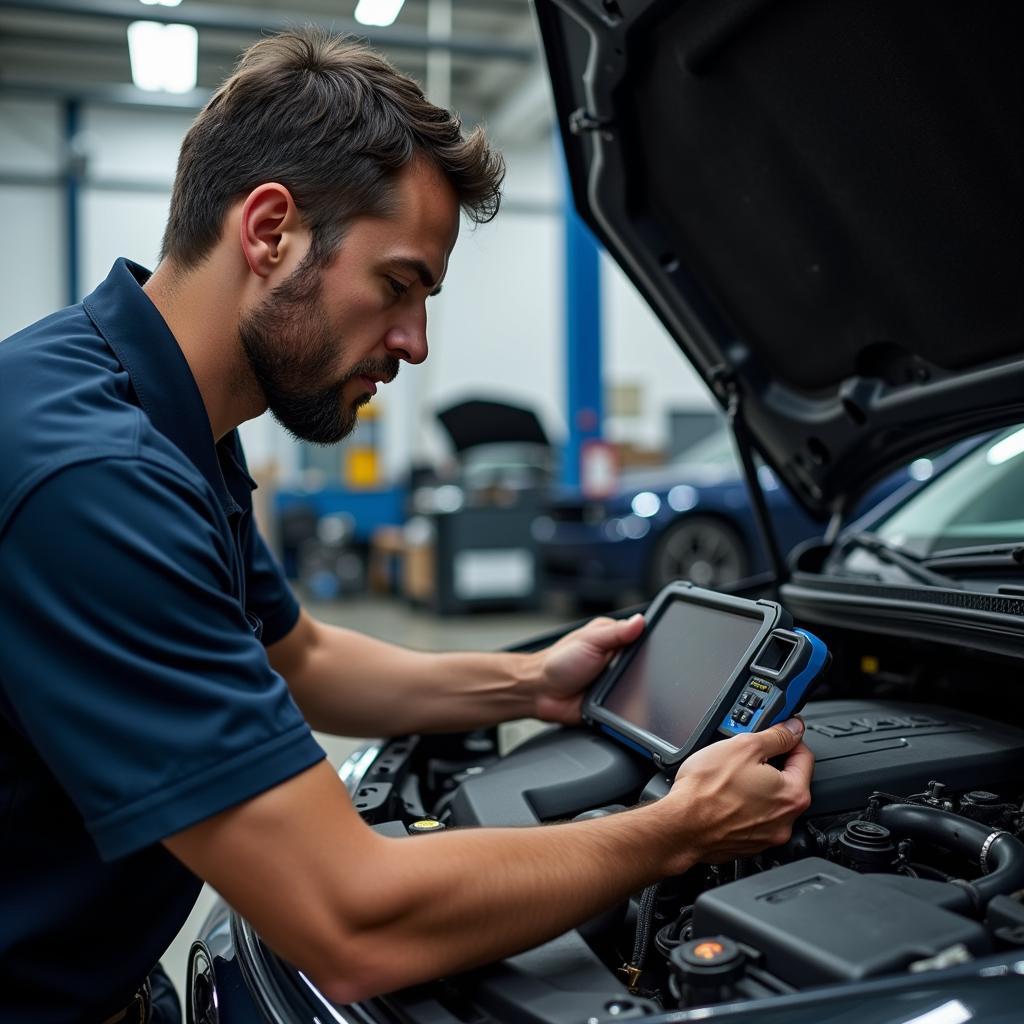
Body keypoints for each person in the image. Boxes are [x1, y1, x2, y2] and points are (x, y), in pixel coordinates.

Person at [0, 29, 814, 1023]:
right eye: (398, 284)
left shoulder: (161, 419)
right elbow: (350, 924)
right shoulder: (95, 479)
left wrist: (532, 680)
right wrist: (678, 828)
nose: (415, 345)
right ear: (269, 233)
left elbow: (298, 656)